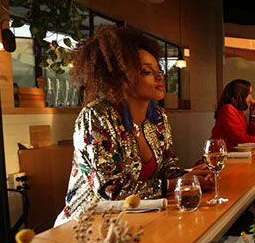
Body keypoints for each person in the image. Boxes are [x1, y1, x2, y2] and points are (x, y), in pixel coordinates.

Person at [57, 25, 211, 225]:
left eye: (159, 70)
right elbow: (111, 191)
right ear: (121, 79)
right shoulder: (95, 117)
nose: (160, 77)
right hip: (87, 227)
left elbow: (168, 168)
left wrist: (195, 176)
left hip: (135, 220)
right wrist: (177, 183)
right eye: (147, 72)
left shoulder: (158, 117)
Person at [210, 79, 255, 151]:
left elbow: (249, 136)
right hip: (221, 155)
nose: (251, 97)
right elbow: (241, 140)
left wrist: (252, 115)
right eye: (249, 93)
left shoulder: (239, 111)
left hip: (231, 153)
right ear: (241, 94)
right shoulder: (228, 109)